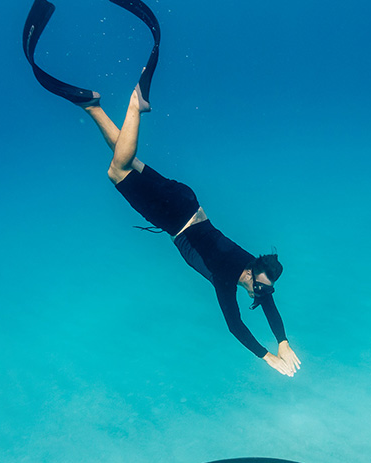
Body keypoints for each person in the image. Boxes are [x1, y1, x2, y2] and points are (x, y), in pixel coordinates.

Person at [23, 0, 300, 376]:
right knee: (117, 171)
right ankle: (136, 105)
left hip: (185, 202)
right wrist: (267, 358)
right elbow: (234, 325)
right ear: (252, 274)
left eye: (264, 290)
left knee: (126, 160)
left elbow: (268, 304)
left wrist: (282, 340)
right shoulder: (225, 275)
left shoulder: (252, 269)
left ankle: (91, 106)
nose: (261, 294)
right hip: (172, 215)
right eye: (261, 287)